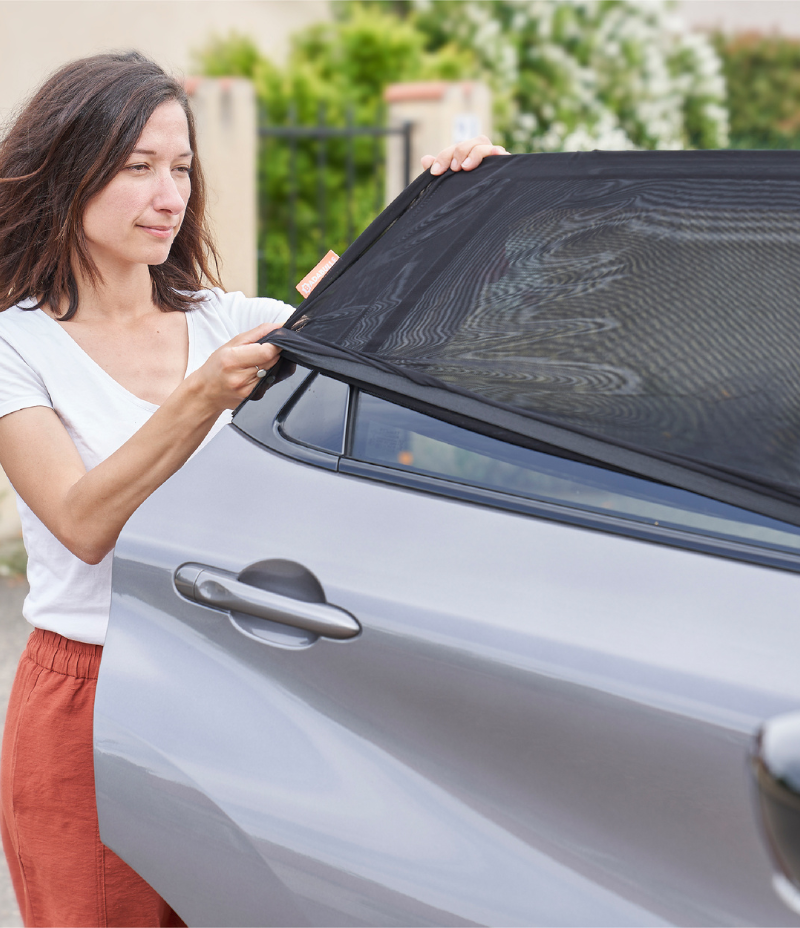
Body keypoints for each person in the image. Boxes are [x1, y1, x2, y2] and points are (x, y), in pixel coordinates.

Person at [0, 50, 506, 928]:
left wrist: (468, 212)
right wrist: (202, 396)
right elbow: (82, 522)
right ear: (68, 174)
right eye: (138, 169)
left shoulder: (226, 321)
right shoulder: (17, 347)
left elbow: (408, 340)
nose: (171, 197)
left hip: (236, 681)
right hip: (89, 691)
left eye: (184, 169)